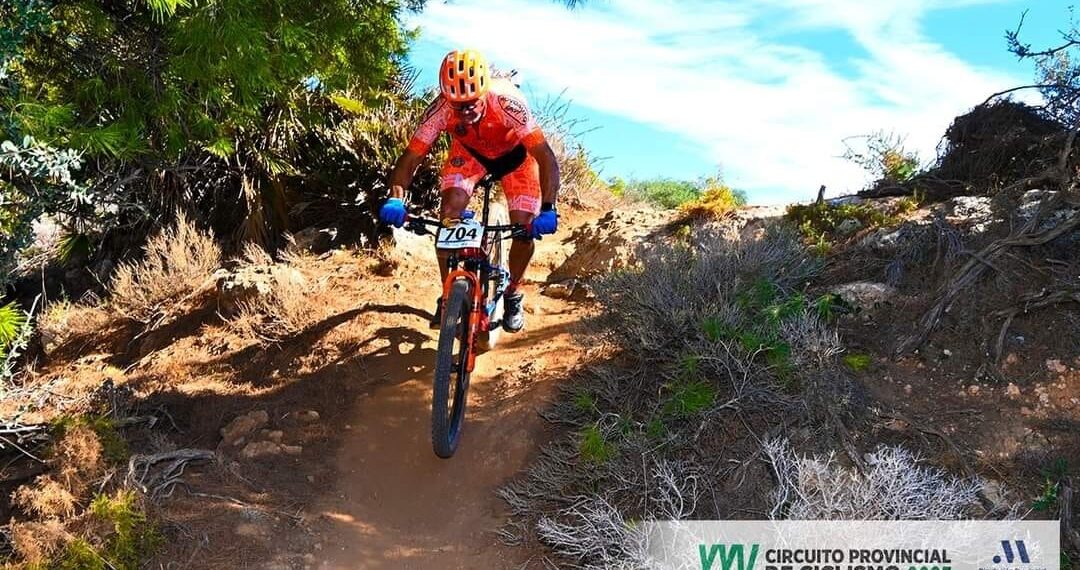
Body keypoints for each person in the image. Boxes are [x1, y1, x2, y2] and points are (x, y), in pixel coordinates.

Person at [379, 49, 560, 333]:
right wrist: (394, 199)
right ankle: (449, 293)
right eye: (457, 106)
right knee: (447, 217)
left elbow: (546, 157)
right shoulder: (439, 110)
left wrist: (548, 208)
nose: (465, 112)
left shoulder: (507, 102)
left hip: (516, 160)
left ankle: (513, 292)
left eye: (472, 104)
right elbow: (411, 157)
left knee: (523, 228)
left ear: (484, 91)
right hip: (470, 156)